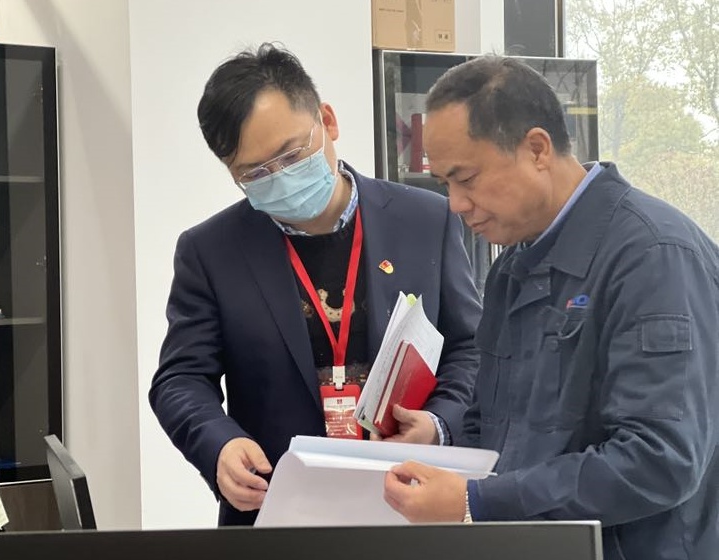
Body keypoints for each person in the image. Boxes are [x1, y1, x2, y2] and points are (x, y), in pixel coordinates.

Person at [382, 56, 719, 560]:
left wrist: (477, 502)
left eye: (465, 178)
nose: (454, 204)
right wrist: (441, 460)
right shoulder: (512, 266)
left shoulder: (653, 256)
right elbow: (490, 424)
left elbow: (660, 459)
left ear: (537, 149)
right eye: (445, 184)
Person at [148, 43, 483, 526]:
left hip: (410, 504)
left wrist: (438, 423)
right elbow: (179, 379)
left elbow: (471, 347)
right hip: (278, 512)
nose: (281, 178)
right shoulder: (211, 251)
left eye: (291, 155)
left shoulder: (426, 220)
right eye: (254, 173)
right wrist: (219, 445)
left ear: (327, 121)